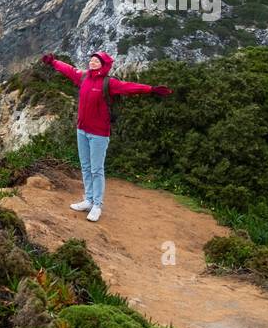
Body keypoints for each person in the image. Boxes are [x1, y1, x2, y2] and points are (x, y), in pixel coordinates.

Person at [40, 51, 171, 222]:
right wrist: (53, 62)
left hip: (99, 134)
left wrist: (151, 89)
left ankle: (97, 205)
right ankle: (88, 200)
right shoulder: (83, 77)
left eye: (97, 61)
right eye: (92, 60)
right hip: (82, 130)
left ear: (104, 65)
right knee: (85, 167)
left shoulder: (109, 83)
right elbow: (68, 69)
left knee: (96, 169)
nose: (93, 63)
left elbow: (128, 87)